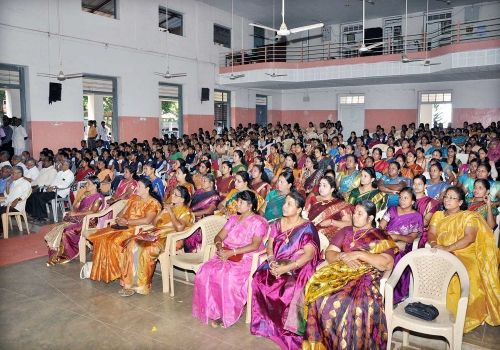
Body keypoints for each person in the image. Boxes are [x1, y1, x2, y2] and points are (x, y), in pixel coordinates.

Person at [303, 201, 398, 349]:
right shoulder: (346, 231)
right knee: (319, 297)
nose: (355, 216)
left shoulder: (380, 235)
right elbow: (330, 253)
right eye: (355, 212)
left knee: (352, 303)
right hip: (340, 273)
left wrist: (360, 255)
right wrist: (343, 256)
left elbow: (387, 263)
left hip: (365, 277)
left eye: (360, 214)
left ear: (370, 218)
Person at [250, 191, 321, 349]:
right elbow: (270, 245)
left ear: (299, 209)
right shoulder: (277, 223)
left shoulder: (307, 227)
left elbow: (309, 254)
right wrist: (271, 260)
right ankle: (266, 326)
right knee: (259, 278)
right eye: (285, 202)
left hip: (298, 267)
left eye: (289, 204)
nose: (284, 206)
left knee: (290, 289)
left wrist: (287, 268)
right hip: (278, 262)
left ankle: (288, 334)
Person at [428, 186, 500, 333]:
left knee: (462, 273)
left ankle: (460, 317)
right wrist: (436, 245)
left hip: (465, 253)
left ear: (460, 202)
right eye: (446, 196)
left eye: (452, 197)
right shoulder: (438, 215)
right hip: (440, 250)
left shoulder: (469, 216)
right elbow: (432, 233)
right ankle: (431, 309)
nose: (447, 200)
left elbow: (469, 237)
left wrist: (447, 249)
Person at [192, 190, 268, 328]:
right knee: (205, 270)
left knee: (228, 276)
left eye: (241, 202)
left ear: (250, 205)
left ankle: (226, 313)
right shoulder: (233, 219)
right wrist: (220, 247)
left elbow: (255, 245)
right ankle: (212, 309)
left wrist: (232, 252)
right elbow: (219, 236)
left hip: (246, 257)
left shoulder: (259, 222)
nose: (237, 204)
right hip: (226, 253)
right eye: (237, 201)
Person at [119, 185, 194, 296]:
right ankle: (128, 284)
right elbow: (154, 223)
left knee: (147, 249)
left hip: (171, 238)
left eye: (175, 195)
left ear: (182, 199)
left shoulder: (186, 212)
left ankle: (141, 286)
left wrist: (171, 213)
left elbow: (179, 228)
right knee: (132, 244)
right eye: (172, 193)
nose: (172, 196)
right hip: (157, 233)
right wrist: (163, 211)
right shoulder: (170, 207)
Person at [88, 178, 162, 283]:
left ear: (147, 189)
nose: (137, 188)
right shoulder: (133, 198)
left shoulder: (153, 203)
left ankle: (118, 272)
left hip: (136, 229)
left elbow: (147, 220)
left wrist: (127, 222)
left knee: (114, 242)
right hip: (123, 226)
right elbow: (121, 213)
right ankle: (104, 271)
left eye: (140, 186)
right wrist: (119, 219)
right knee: (101, 237)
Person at [44, 176, 105, 265]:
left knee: (67, 231)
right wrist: (81, 198)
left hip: (89, 221)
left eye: (88, 183)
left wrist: (75, 214)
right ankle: (57, 253)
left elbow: (92, 212)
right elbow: (75, 207)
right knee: (58, 228)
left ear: (95, 185)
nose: (86, 185)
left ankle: (66, 255)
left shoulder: (98, 197)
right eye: (86, 183)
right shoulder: (86, 194)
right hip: (80, 218)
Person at [379, 187, 423, 303]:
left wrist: (397, 238)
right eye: (400, 197)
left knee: (398, 256)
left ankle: (393, 292)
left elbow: (412, 238)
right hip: (386, 241)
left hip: (404, 244)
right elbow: (381, 228)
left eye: (406, 198)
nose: (402, 200)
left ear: (413, 201)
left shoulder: (417, 216)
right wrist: (388, 238)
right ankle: (376, 289)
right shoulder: (392, 210)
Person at [25, 159, 75, 223]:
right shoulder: (60, 172)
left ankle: (43, 217)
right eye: (62, 164)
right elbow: (54, 182)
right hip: (52, 190)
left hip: (59, 192)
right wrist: (49, 187)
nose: (62, 165)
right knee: (34, 195)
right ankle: (35, 215)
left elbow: (65, 185)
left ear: (68, 166)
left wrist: (53, 188)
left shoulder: (70, 174)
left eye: (64, 165)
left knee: (40, 197)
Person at [306, 176, 353, 240]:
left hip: (324, 237)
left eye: (324, 185)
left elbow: (348, 223)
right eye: (320, 185)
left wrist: (331, 222)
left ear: (332, 189)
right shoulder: (313, 198)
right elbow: (305, 214)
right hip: (308, 231)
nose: (321, 188)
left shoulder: (339, 204)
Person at [183, 173, 221, 252]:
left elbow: (209, 210)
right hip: (191, 216)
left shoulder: (214, 196)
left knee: (190, 235)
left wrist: (192, 214)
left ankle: (193, 253)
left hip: (202, 220)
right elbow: (190, 203)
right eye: (202, 180)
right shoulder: (199, 191)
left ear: (211, 183)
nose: (202, 182)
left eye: (205, 181)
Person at [0, 166, 31, 234]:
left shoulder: (25, 183)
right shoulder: (14, 182)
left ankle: (1, 231)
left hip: (17, 206)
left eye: (13, 173)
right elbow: (7, 195)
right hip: (8, 204)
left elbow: (25, 194)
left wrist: (17, 199)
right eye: (12, 173)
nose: (11, 175)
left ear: (20, 174)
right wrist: (8, 185)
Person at [412, 175, 440, 247]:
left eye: (419, 184)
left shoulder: (432, 202)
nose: (416, 186)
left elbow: (425, 223)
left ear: (425, 186)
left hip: (421, 232)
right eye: (414, 184)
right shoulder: (407, 199)